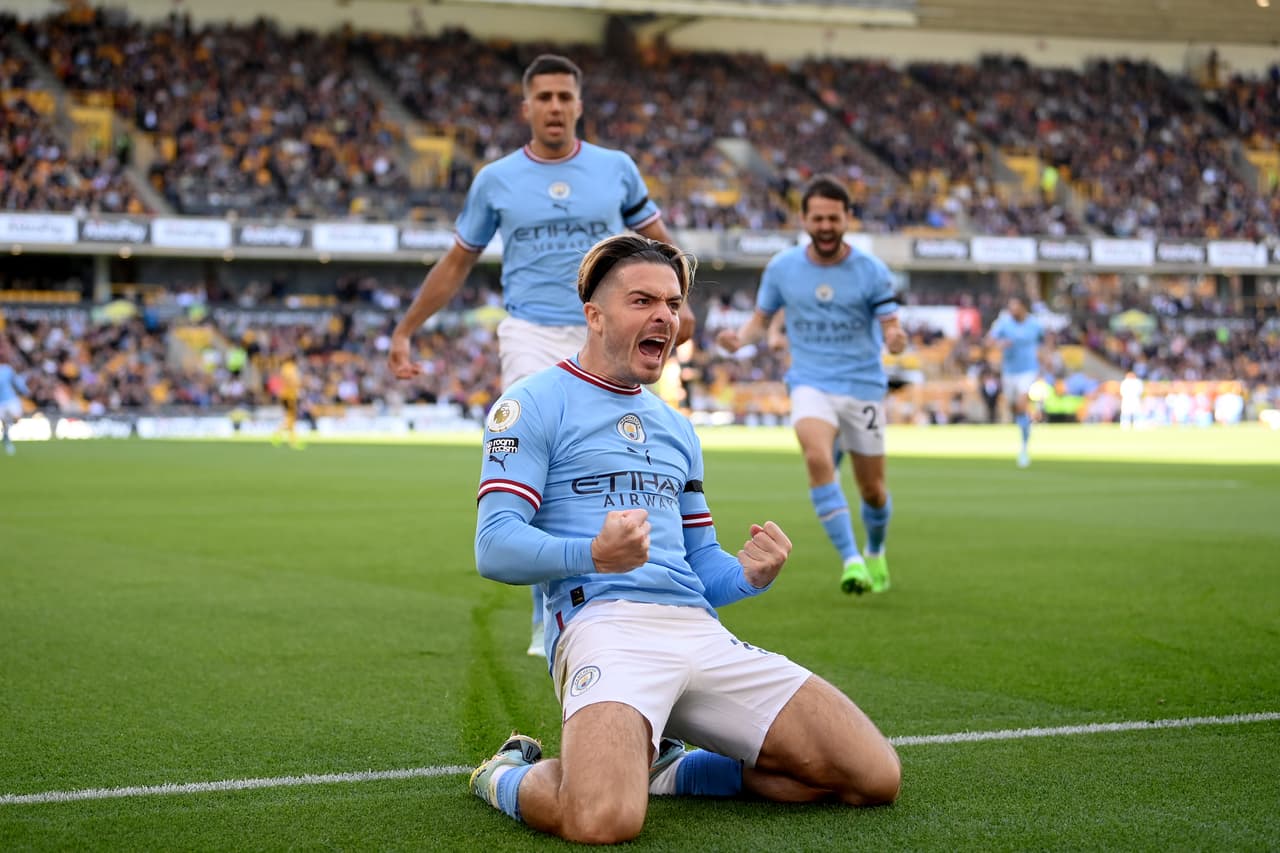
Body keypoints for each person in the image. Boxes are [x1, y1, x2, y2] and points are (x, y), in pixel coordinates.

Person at [469, 234, 900, 844]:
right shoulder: (532, 404)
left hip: (698, 630)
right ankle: (504, 775)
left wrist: (748, 574)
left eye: (672, 304)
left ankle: (670, 768)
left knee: (870, 776)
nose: (665, 318)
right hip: (603, 628)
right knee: (602, 820)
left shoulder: (677, 428)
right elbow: (494, 546)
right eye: (643, 301)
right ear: (593, 315)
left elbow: (702, 567)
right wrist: (591, 554)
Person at [387, 53, 694, 658]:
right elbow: (456, 263)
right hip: (530, 330)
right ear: (526, 107)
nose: (554, 107)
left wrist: (675, 311)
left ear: (579, 105)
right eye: (543, 97)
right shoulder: (495, 179)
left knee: (618, 453)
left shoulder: (617, 170)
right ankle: (550, 607)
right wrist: (407, 329)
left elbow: (662, 246)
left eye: (564, 97)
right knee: (543, 450)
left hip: (612, 329)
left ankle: (641, 586)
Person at [716, 176, 906, 597]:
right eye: (817, 217)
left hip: (862, 386)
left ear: (847, 219)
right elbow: (759, 321)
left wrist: (895, 339)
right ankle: (852, 561)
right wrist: (738, 339)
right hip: (810, 381)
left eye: (833, 218)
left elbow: (891, 325)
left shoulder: (871, 270)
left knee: (873, 490)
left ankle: (875, 550)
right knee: (818, 456)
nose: (824, 225)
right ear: (803, 218)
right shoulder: (783, 267)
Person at [986, 295, 1050, 467]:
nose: (1012, 310)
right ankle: (1024, 429)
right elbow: (988, 341)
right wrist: (999, 344)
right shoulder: (1004, 323)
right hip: (1009, 372)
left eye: (1015, 306)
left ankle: (1023, 447)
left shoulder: (1034, 324)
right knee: (1014, 407)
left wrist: (1045, 361)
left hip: (1028, 370)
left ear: (1023, 307)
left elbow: (1043, 343)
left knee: (1022, 403)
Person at [0, 344, 31, 456]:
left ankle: (6, 435)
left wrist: (25, 391)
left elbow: (16, 381)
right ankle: (6, 437)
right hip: (1, 402)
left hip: (10, 399)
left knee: (16, 417)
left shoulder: (7, 369)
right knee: (4, 421)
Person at [271, 357, 304, 450]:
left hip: (285, 395)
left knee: (291, 418)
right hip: (290, 395)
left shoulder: (284, 368)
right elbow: (293, 381)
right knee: (291, 418)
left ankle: (288, 438)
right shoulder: (291, 368)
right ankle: (288, 438)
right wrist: (298, 385)